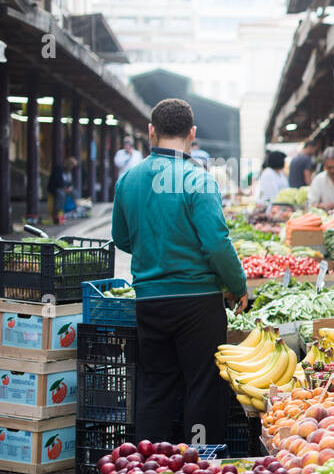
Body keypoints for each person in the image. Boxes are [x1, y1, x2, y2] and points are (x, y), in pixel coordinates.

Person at [110, 98, 247, 445]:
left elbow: (121, 238)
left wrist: (154, 250)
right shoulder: (197, 180)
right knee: (202, 385)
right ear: (192, 133)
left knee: (155, 385)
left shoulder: (129, 179)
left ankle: (150, 465)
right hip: (198, 303)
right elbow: (216, 243)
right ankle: (200, 466)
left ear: (151, 132)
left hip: (150, 302)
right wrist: (237, 285)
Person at [47, 156, 77, 225]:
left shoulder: (69, 172)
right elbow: (56, 182)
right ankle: (58, 212)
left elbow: (70, 183)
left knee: (75, 193)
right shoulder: (58, 170)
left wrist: (70, 188)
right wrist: (64, 189)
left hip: (65, 188)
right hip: (56, 188)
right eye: (71, 165)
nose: (72, 167)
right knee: (61, 194)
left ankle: (74, 210)